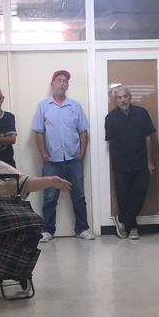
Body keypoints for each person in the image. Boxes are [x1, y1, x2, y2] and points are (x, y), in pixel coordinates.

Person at [0, 129, 71, 281]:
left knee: (29, 231)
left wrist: (50, 181)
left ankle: (14, 272)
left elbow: (25, 182)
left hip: (2, 222)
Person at [32, 70, 93, 242]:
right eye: (59, 80)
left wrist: (82, 152)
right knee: (50, 196)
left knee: (79, 195)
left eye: (65, 81)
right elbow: (38, 132)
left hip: (73, 159)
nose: (62, 83)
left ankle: (82, 229)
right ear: (52, 83)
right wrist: (43, 152)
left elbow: (83, 131)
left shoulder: (75, 106)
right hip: (52, 161)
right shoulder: (43, 106)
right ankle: (48, 231)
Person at [104, 85, 156, 240]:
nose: (123, 100)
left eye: (125, 96)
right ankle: (132, 227)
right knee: (123, 197)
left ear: (130, 97)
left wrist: (150, 161)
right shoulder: (110, 118)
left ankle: (121, 219)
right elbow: (111, 142)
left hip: (141, 162)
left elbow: (148, 138)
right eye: (119, 97)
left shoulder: (142, 113)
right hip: (121, 165)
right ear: (115, 100)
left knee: (140, 194)